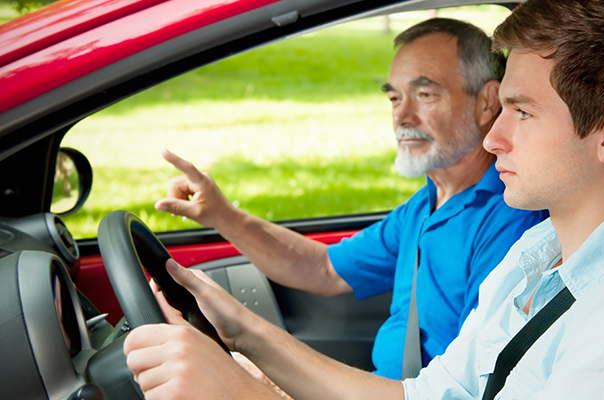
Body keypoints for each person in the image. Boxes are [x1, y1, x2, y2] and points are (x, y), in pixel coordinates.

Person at [124, 0, 604, 398]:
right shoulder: (539, 259)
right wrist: (244, 333)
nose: (495, 136)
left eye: (522, 111)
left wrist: (246, 395)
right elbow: (425, 396)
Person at [154, 17, 548, 379]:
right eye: (394, 98)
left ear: (486, 102)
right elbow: (324, 269)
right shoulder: (428, 203)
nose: (402, 117)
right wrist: (224, 216)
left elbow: (468, 383)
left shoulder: (511, 217)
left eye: (424, 94)